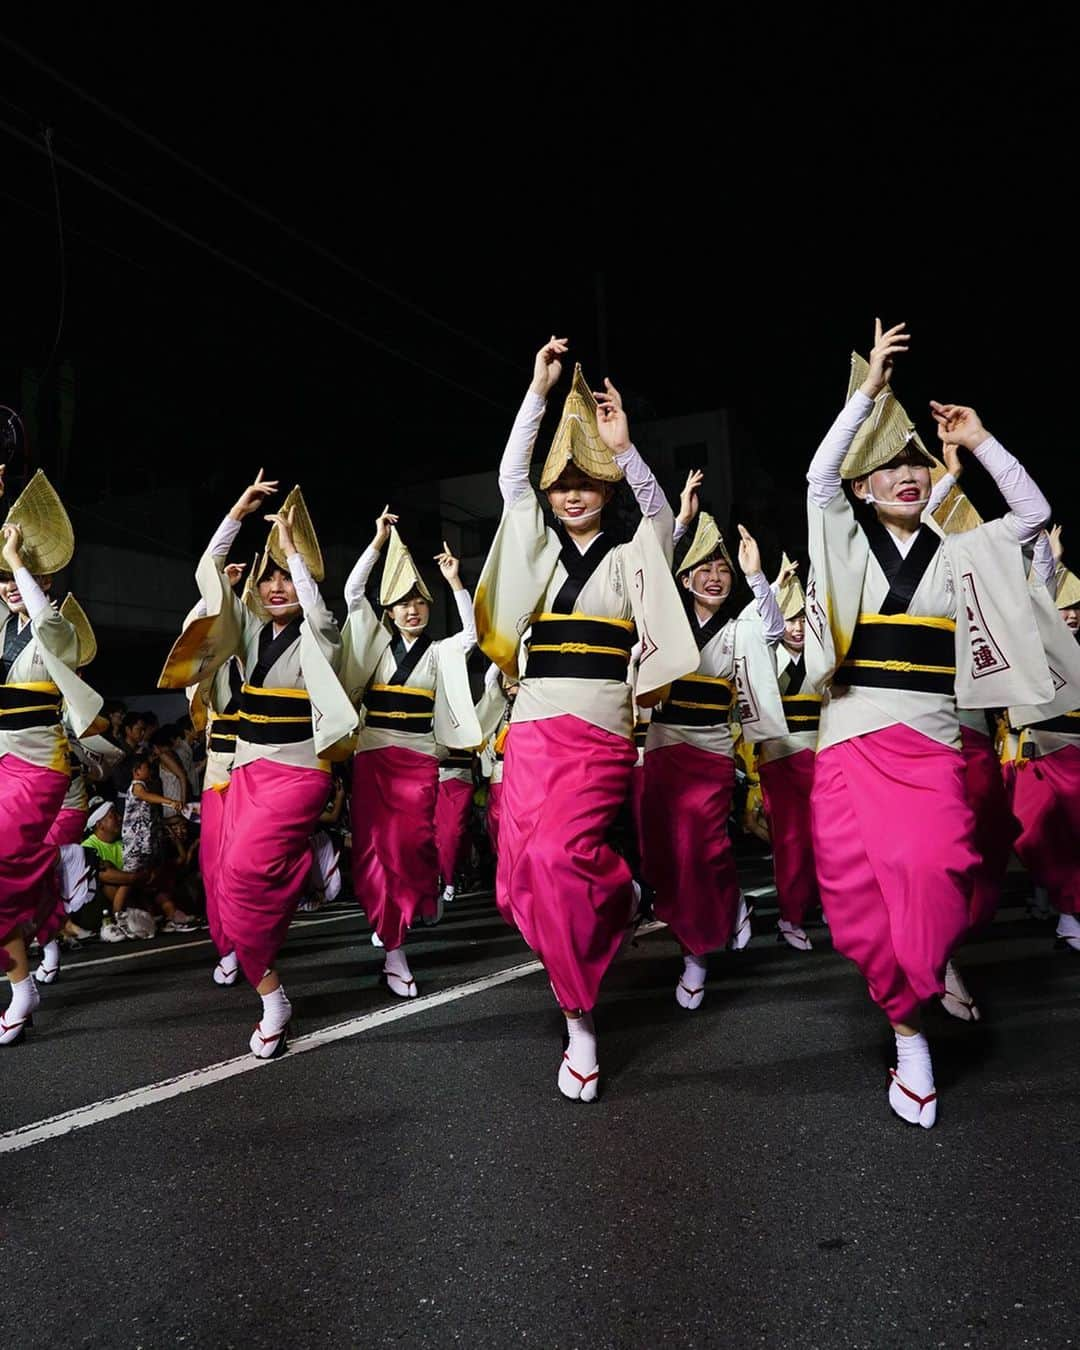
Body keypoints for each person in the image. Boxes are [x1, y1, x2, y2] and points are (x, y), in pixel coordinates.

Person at [805, 319, 1056, 1128]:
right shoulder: (840, 539)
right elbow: (817, 479)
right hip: (850, 738)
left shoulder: (960, 552)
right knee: (856, 901)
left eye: (916, 463)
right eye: (890, 467)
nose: (908, 475)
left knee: (936, 872)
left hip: (932, 741)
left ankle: (932, 970)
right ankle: (908, 1033)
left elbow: (1032, 510)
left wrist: (979, 442)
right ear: (865, 485)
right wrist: (870, 393)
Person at [475, 337, 697, 1101]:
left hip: (602, 732)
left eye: (585, 483)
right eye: (561, 485)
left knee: (557, 860)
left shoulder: (635, 549)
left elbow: (663, 512)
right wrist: (536, 397)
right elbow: (510, 480)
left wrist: (627, 449)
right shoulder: (533, 547)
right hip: (531, 730)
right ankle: (623, 897)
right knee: (518, 885)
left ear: (605, 489)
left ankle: (579, 1022)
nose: (571, 496)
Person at [188, 474, 357, 1056]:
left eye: (287, 577)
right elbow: (208, 574)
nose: (279, 587)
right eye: (271, 578)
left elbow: (319, 611)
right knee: (227, 884)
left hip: (301, 774)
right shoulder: (249, 631)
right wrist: (237, 512)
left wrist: (289, 550)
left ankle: (306, 865)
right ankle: (272, 994)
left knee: (240, 876)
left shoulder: (321, 632)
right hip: (247, 772)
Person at [641, 481, 787, 1010]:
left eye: (722, 570)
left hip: (709, 752)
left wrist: (755, 576)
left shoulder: (741, 625)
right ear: (685, 577)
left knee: (700, 850)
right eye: (704, 568)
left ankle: (696, 957)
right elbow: (651, 573)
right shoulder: (669, 619)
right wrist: (679, 524)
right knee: (666, 858)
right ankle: (731, 905)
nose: (714, 577)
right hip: (660, 749)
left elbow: (774, 627)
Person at [341, 513, 480, 993]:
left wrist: (456, 582)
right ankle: (394, 948)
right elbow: (353, 596)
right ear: (391, 610)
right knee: (373, 854)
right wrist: (377, 543)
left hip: (419, 760)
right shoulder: (375, 646)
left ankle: (424, 888)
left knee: (414, 844)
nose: (412, 610)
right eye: (402, 603)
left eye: (419, 602)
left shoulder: (440, 652)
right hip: (373, 756)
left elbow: (473, 638)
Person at [0, 468, 102, 1043]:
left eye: (27, 575)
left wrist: (17, 559)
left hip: (40, 772)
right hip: (0, 769)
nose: (14, 584)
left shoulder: (56, 631)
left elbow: (42, 615)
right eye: (8, 576)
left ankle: (22, 988)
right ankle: (40, 944)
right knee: (13, 878)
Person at [1009, 530, 1080, 952]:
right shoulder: (1036, 647)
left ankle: (1068, 913)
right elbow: (1029, 609)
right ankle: (1064, 909)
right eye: (1063, 609)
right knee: (1038, 835)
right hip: (1042, 750)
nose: (1069, 616)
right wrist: (1045, 560)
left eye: (1076, 609)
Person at [753, 556, 822, 952]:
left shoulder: (821, 657)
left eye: (802, 619)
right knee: (792, 841)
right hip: (780, 759)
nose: (796, 628)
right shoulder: (765, 657)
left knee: (830, 838)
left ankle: (832, 902)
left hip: (821, 755)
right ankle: (790, 915)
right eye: (789, 619)